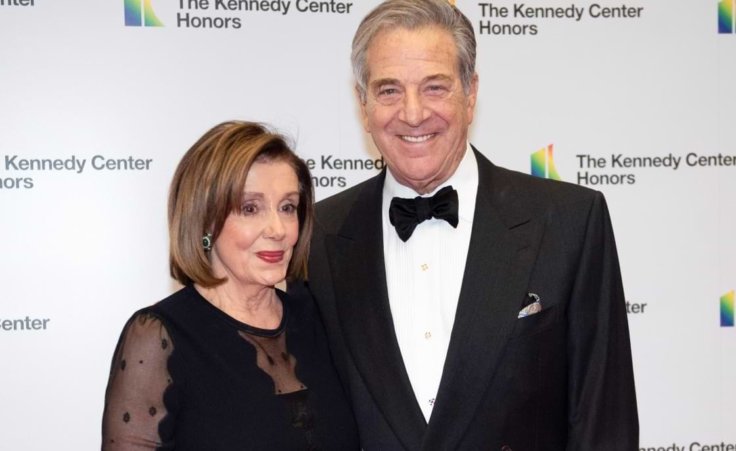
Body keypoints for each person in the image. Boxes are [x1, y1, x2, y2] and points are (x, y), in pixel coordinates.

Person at [295, 1, 639, 449]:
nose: (413, 113)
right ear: (363, 104)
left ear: (471, 93)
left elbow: (604, 425)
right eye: (389, 90)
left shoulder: (570, 221)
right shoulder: (316, 236)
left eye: (435, 87)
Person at [101, 121, 359, 450]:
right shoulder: (161, 336)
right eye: (250, 208)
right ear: (206, 218)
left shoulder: (317, 315)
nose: (277, 229)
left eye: (288, 207)